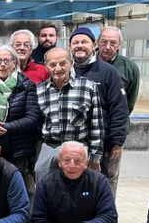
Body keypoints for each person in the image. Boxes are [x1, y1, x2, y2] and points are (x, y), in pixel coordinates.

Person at [70, 27, 129, 191]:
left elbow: (120, 107)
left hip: (99, 144)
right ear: (70, 46)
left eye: (84, 42)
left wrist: (117, 141)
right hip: (71, 141)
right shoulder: (66, 70)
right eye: (76, 42)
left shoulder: (107, 72)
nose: (80, 46)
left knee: (98, 185)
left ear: (93, 45)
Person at [34, 47, 103, 182]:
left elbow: (96, 124)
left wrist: (95, 156)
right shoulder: (39, 90)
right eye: (52, 64)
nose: (58, 68)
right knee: (43, 184)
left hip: (78, 145)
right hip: (50, 146)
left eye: (62, 63)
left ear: (71, 63)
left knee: (77, 189)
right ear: (46, 67)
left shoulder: (88, 86)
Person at [0, 44, 40, 196]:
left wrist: (5, 127)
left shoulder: (26, 86)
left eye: (7, 60)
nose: (2, 64)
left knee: (17, 191)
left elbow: (32, 118)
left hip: (19, 150)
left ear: (15, 63)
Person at [97, 27, 140, 197]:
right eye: (104, 42)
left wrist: (118, 138)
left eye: (112, 43)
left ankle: (107, 214)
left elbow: (128, 105)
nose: (107, 46)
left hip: (112, 133)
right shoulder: (86, 63)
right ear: (97, 43)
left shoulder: (129, 68)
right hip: (87, 131)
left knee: (110, 175)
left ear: (119, 44)